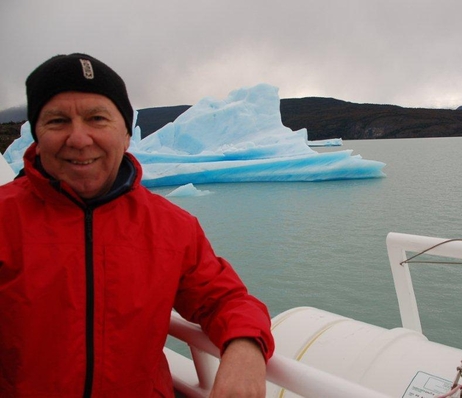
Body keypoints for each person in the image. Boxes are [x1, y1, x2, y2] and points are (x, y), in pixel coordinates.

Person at [0, 53, 275, 397]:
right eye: (57, 121)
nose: (79, 139)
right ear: (36, 137)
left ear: (127, 134)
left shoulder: (172, 227)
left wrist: (245, 347)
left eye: (97, 118)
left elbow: (226, 299)